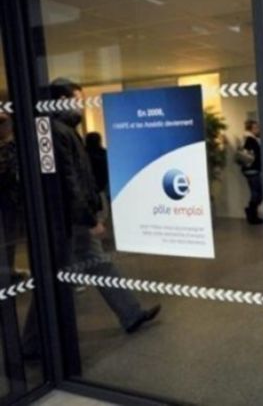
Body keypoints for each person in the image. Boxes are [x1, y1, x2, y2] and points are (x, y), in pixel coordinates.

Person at [23, 79, 161, 359]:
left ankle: (130, 313)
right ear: (63, 100)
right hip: (69, 220)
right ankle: (32, 343)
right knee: (58, 277)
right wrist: (88, 218)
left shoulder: (62, 129)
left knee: (94, 266)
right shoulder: (54, 131)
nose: (81, 105)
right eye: (78, 99)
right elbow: (68, 181)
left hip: (72, 218)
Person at [0, 113, 22, 282]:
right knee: (7, 236)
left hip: (11, 199)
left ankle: (8, 269)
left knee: (10, 237)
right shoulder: (10, 147)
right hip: (7, 198)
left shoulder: (12, 146)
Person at [241, 120, 263, 225]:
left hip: (250, 170)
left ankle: (251, 213)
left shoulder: (249, 139)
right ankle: (251, 214)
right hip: (252, 170)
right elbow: (253, 156)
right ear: (251, 129)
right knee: (257, 193)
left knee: (257, 193)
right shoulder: (250, 140)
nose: (258, 129)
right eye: (256, 128)